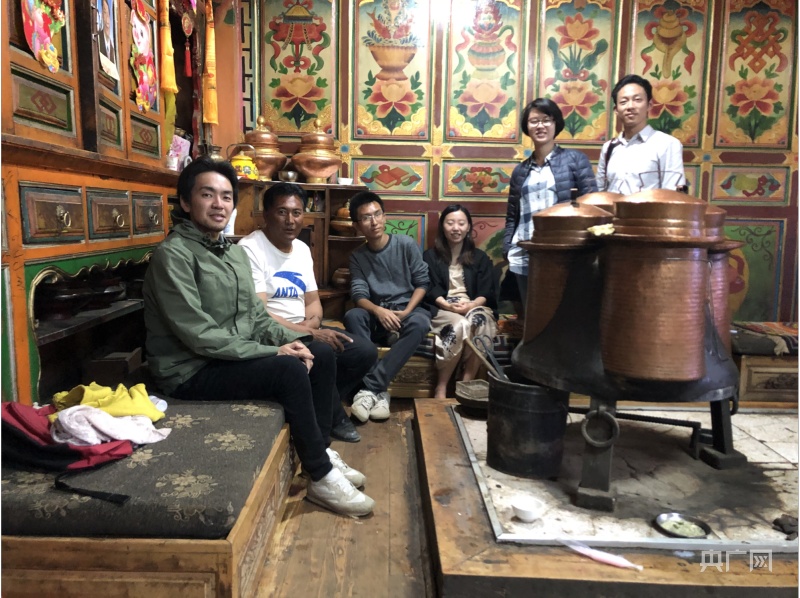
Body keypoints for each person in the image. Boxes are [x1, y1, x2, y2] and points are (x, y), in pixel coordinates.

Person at [142, 157, 374, 517]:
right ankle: (320, 476)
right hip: (191, 369)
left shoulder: (231, 254)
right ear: (186, 202)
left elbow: (255, 316)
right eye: (207, 195)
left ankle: (321, 450)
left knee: (321, 351)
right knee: (289, 369)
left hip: (225, 356)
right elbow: (199, 335)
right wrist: (273, 351)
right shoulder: (173, 256)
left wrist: (297, 337)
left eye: (226, 197)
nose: (218, 204)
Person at [238, 182, 377, 443]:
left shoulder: (301, 248)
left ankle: (322, 404)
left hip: (304, 327)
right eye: (282, 212)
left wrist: (311, 325)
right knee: (322, 352)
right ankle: (332, 421)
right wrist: (308, 332)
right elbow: (260, 313)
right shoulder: (250, 249)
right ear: (266, 215)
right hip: (272, 332)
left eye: (297, 212)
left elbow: (313, 302)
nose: (290, 220)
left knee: (364, 352)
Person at [343, 191, 431, 422]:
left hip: (407, 309)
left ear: (385, 216)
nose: (374, 222)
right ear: (357, 225)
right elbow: (359, 294)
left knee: (421, 322)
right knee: (353, 316)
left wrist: (407, 311)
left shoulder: (405, 244)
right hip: (378, 313)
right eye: (366, 217)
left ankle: (370, 388)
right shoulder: (357, 256)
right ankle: (380, 394)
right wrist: (378, 310)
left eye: (377, 214)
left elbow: (422, 283)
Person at [503, 97, 597, 304]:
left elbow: (593, 206)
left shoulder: (575, 160)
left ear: (556, 124)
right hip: (524, 251)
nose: (540, 126)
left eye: (546, 120)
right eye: (534, 121)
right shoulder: (520, 170)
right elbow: (512, 216)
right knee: (530, 311)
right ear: (527, 127)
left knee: (563, 310)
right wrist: (508, 247)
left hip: (562, 252)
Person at [423, 205, 498, 399]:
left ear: (468, 227)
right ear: (443, 226)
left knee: (481, 321)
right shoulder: (430, 256)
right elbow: (428, 288)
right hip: (442, 307)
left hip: (473, 305)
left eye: (461, 223)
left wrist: (471, 306)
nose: (456, 228)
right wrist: (448, 305)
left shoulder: (480, 257)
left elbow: (486, 291)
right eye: (450, 223)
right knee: (459, 325)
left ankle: (466, 382)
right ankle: (441, 386)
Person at [596, 74, 686, 193]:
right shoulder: (608, 147)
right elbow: (600, 192)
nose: (630, 106)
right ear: (616, 110)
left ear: (649, 105)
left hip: (649, 206)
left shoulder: (667, 144)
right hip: (613, 206)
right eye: (623, 102)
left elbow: (672, 194)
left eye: (637, 100)